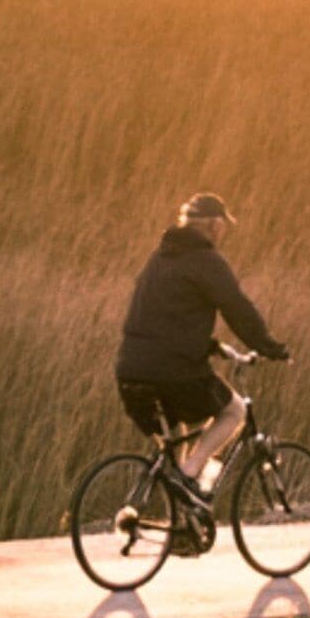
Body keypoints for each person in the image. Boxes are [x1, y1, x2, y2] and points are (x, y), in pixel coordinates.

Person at [115, 192, 288, 499]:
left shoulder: (159, 258)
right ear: (213, 225)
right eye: (223, 225)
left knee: (176, 436)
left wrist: (210, 346)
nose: (224, 232)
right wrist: (268, 346)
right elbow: (237, 308)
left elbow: (164, 318)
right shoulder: (207, 260)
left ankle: (181, 521)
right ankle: (193, 470)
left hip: (130, 371)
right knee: (234, 411)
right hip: (173, 371)